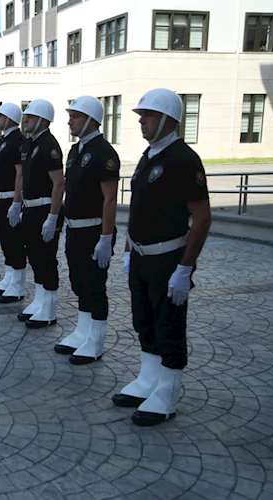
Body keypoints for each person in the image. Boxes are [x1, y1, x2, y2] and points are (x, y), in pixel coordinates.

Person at [111, 88, 211, 426]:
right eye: (141, 115)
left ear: (168, 119)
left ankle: (167, 393)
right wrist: (128, 251)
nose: (141, 121)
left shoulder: (183, 160)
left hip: (168, 260)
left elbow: (202, 218)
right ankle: (148, 380)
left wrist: (185, 269)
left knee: (169, 326)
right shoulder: (149, 156)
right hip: (141, 257)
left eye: (148, 115)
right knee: (145, 320)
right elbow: (139, 210)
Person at [53, 96, 120, 365]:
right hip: (75, 230)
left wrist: (105, 238)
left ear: (91, 120)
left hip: (93, 232)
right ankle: (83, 332)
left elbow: (110, 199)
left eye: (76, 116)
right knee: (79, 284)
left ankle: (96, 341)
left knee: (95, 287)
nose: (70, 121)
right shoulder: (75, 151)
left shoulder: (104, 153)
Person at [11, 100, 65, 329]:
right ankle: (40, 301)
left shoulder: (49, 145)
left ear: (43, 120)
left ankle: (49, 309)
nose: (26, 120)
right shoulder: (29, 145)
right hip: (30, 208)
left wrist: (52, 217)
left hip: (44, 209)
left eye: (30, 117)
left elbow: (58, 183)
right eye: (25, 117)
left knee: (46, 259)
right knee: (34, 256)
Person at [0, 103, 28, 302]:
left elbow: (20, 173)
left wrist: (16, 202)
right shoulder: (4, 140)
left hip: (11, 198)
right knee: (5, 240)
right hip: (0, 198)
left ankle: (18, 285)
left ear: (10, 118)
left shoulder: (18, 141)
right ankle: (9, 277)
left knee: (15, 242)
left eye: (0, 116)